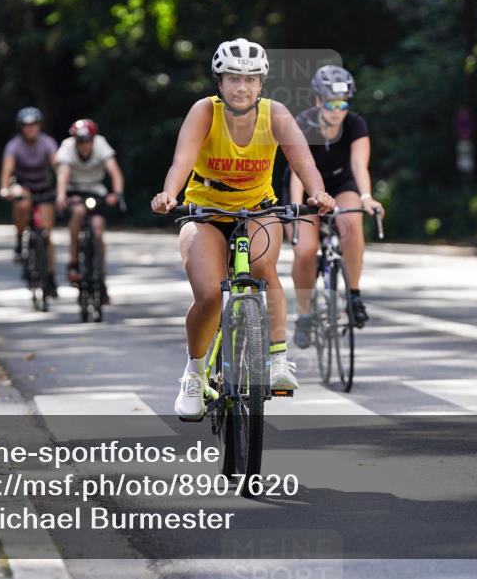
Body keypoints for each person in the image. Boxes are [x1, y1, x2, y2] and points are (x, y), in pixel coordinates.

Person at [151, 38, 335, 421]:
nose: (242, 87)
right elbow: (181, 161)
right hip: (204, 211)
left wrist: (318, 193)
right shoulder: (205, 112)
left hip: (258, 210)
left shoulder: (276, 114)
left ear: (261, 83)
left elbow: (304, 162)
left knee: (263, 268)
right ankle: (195, 374)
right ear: (219, 83)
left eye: (250, 79)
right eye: (233, 78)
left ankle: (279, 359)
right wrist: (169, 194)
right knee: (209, 296)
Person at [283, 65, 384, 349]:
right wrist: (295, 207)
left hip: (341, 184)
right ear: (317, 100)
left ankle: (353, 294)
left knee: (352, 223)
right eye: (330, 103)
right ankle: (304, 315)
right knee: (304, 251)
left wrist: (366, 197)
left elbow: (359, 166)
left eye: (342, 103)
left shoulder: (355, 124)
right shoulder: (303, 123)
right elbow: (295, 172)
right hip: (304, 187)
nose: (336, 109)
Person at [55, 118, 125, 303]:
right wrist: (62, 196)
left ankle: (99, 275)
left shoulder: (101, 144)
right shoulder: (67, 147)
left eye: (87, 140)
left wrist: (116, 194)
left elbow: (114, 171)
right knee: (77, 214)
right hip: (75, 191)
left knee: (98, 229)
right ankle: (73, 263)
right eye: (80, 141)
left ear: (93, 139)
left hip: (96, 190)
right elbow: (63, 174)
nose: (84, 145)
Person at [0, 106, 59, 296]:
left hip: (43, 187)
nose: (30, 129)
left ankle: (49, 277)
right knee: (22, 202)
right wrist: (4, 188)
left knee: (47, 235)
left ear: (39, 126)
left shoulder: (47, 143)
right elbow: (7, 170)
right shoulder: (14, 145)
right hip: (23, 185)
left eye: (33, 125)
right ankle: (19, 238)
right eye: (26, 126)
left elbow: (57, 166)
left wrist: (63, 188)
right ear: (21, 128)